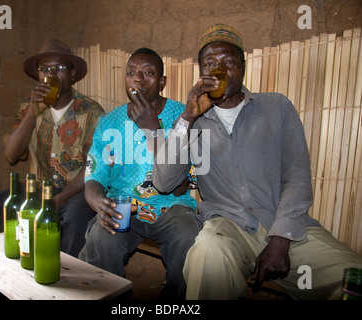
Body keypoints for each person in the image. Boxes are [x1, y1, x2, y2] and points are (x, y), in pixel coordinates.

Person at [152, 23, 362, 300]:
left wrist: (280, 239)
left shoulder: (276, 108)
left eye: (229, 62)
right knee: (207, 253)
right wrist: (187, 118)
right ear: (201, 72)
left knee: (353, 276)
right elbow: (163, 182)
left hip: (287, 229)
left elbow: (297, 177)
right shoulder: (194, 123)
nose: (219, 70)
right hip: (228, 228)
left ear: (243, 66)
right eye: (210, 63)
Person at [78, 48, 202, 300]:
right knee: (102, 238)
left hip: (171, 206)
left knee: (188, 235)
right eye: (131, 73)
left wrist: (152, 128)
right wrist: (99, 203)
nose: (139, 79)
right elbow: (93, 176)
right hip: (124, 205)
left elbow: (178, 186)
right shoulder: (109, 122)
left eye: (149, 73)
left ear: (162, 82)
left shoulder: (183, 117)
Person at [0, 39, 105, 259]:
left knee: (74, 218)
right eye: (45, 69)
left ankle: (65, 287)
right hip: (36, 189)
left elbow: (93, 166)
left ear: (73, 74)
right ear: (37, 75)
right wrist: (32, 114)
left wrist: (60, 199)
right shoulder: (28, 107)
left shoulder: (91, 111)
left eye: (60, 68)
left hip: (74, 192)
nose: (51, 75)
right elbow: (11, 155)